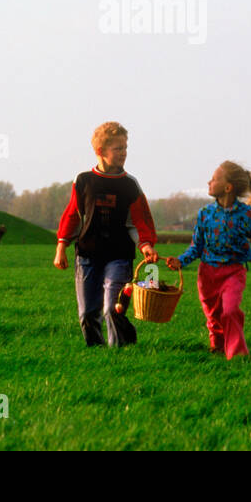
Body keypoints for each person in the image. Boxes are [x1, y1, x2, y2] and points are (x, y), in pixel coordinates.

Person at [166, 161, 251, 359]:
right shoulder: (204, 214)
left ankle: (237, 353)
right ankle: (217, 344)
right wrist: (180, 261)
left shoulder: (245, 214)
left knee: (230, 310)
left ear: (228, 187)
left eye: (214, 179)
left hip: (234, 272)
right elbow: (196, 246)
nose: (209, 181)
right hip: (207, 274)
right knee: (213, 315)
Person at [53, 122, 158, 347]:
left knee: (113, 308)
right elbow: (73, 215)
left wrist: (146, 244)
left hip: (119, 255)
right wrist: (61, 247)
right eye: (118, 148)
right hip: (87, 255)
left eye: (125, 148)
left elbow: (140, 219)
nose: (124, 153)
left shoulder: (130, 184)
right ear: (100, 151)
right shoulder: (83, 180)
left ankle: (122, 350)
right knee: (88, 314)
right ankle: (96, 353)